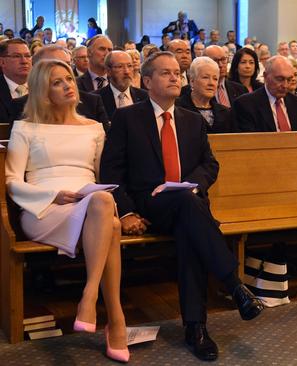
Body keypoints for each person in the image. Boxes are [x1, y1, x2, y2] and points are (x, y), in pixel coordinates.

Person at [100, 51, 264, 361]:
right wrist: (127, 211)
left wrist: (193, 185)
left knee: (191, 229)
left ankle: (196, 329)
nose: (176, 77)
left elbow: (209, 165)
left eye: (178, 72)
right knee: (191, 214)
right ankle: (234, 285)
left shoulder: (191, 119)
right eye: (166, 73)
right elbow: (111, 172)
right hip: (149, 206)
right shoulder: (128, 118)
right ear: (147, 81)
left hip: (188, 205)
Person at [6, 58, 129, 362]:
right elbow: (10, 180)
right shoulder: (26, 128)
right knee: (108, 221)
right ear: (43, 92)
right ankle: (113, 316)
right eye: (57, 82)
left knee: (102, 203)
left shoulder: (95, 128)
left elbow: (105, 178)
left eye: (69, 79)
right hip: (44, 209)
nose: (68, 86)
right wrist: (53, 195)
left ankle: (90, 297)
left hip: (91, 203)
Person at [10, 45, 109, 132]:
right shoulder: (20, 106)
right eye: (55, 64)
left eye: (67, 64)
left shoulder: (92, 102)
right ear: (38, 71)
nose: (62, 69)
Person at [233, 56, 297, 132]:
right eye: (280, 79)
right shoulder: (246, 104)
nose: (285, 85)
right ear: (265, 76)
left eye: (289, 79)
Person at [176, 56, 233, 133]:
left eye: (215, 79)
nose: (211, 83)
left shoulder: (226, 112)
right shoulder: (177, 108)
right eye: (205, 77)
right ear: (192, 81)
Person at [93, 50, 148, 120]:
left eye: (130, 66)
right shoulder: (95, 99)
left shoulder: (144, 96)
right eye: (120, 67)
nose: (127, 71)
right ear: (108, 71)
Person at [0, 38, 31, 123]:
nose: (24, 61)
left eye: (28, 56)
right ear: (2, 62)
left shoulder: (43, 86)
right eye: (16, 56)